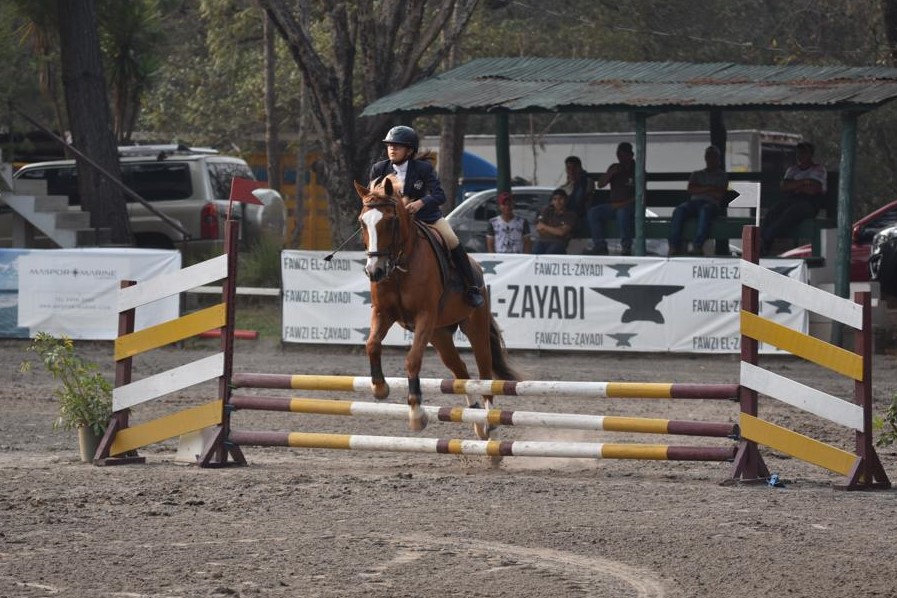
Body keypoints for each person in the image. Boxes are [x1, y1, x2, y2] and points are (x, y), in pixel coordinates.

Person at [369, 125, 484, 307]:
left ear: (409, 151)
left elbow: (440, 195)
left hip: (427, 218)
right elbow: (373, 198)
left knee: (452, 239)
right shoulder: (379, 169)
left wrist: (420, 202)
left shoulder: (423, 169)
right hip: (394, 222)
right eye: (390, 145)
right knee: (376, 240)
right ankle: (379, 290)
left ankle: (471, 288)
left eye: (397, 146)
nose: (392, 149)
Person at [760, 141, 827, 256]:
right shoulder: (792, 170)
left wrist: (795, 185)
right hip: (791, 200)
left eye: (804, 152)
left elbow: (813, 189)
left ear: (810, 154)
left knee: (791, 213)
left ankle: (767, 236)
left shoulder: (819, 169)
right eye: (798, 153)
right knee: (773, 211)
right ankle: (762, 245)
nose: (800, 155)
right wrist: (805, 182)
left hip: (809, 203)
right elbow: (784, 186)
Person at [668, 145, 729, 256]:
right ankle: (673, 246)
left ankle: (698, 246)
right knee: (679, 210)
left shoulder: (722, 175)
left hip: (711, 205)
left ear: (718, 159)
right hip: (694, 203)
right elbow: (691, 189)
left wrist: (700, 188)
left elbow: (719, 194)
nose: (711, 159)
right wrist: (710, 188)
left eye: (714, 157)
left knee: (705, 210)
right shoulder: (696, 174)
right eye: (709, 156)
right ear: (705, 158)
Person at [585, 142, 635, 255]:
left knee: (622, 213)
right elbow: (600, 184)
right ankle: (600, 245)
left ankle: (626, 247)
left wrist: (621, 204)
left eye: (624, 155)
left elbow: (640, 196)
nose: (621, 158)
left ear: (631, 155)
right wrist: (610, 173)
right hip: (612, 206)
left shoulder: (637, 170)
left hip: (630, 207)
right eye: (619, 155)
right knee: (593, 212)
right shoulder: (614, 168)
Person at [533, 188, 576, 255]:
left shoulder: (570, 214)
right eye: (555, 199)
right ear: (552, 201)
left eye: (561, 199)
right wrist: (556, 229)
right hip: (542, 241)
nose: (558, 202)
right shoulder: (546, 211)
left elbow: (562, 232)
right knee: (535, 252)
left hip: (559, 243)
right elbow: (539, 229)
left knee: (551, 252)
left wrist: (544, 226)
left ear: (566, 200)